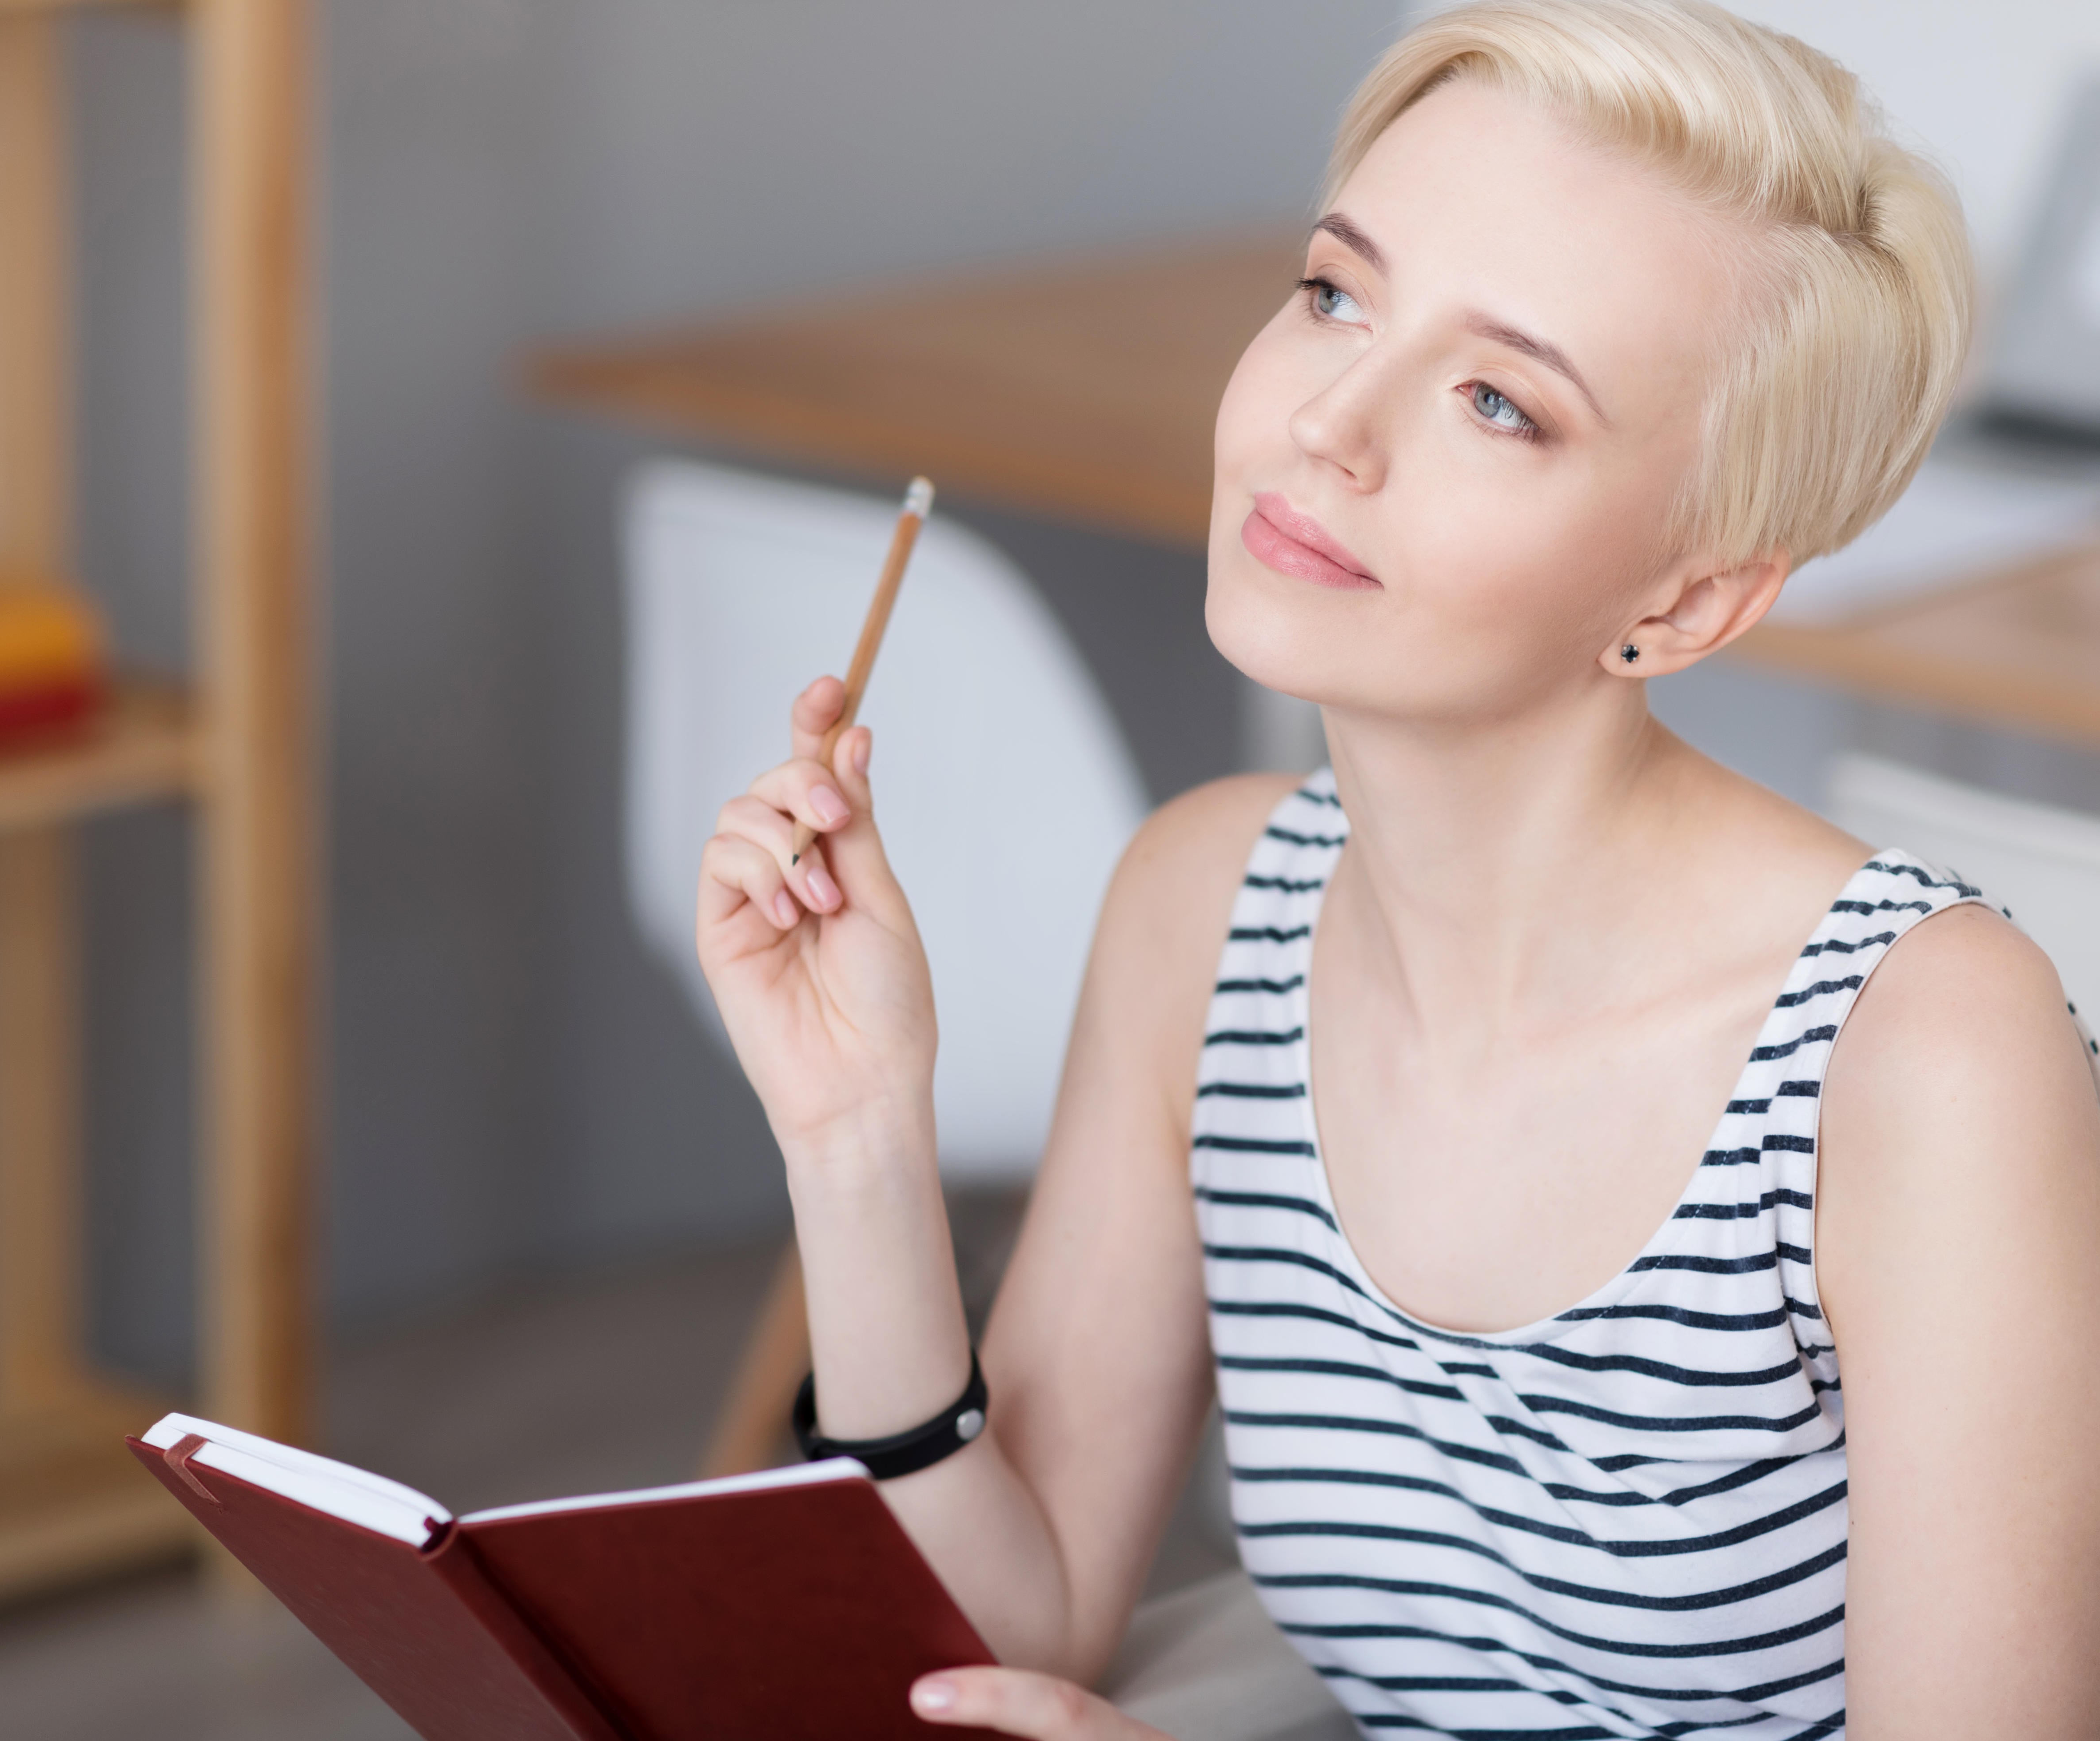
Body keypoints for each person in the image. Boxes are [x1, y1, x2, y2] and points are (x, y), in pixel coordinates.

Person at [693, 2, 2100, 1735]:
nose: (1326, 425)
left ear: (1681, 601)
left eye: (1498, 402)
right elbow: (1019, 1613)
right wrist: (850, 1137)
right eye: (1332, 294)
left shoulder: (1916, 1048)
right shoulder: (1204, 910)